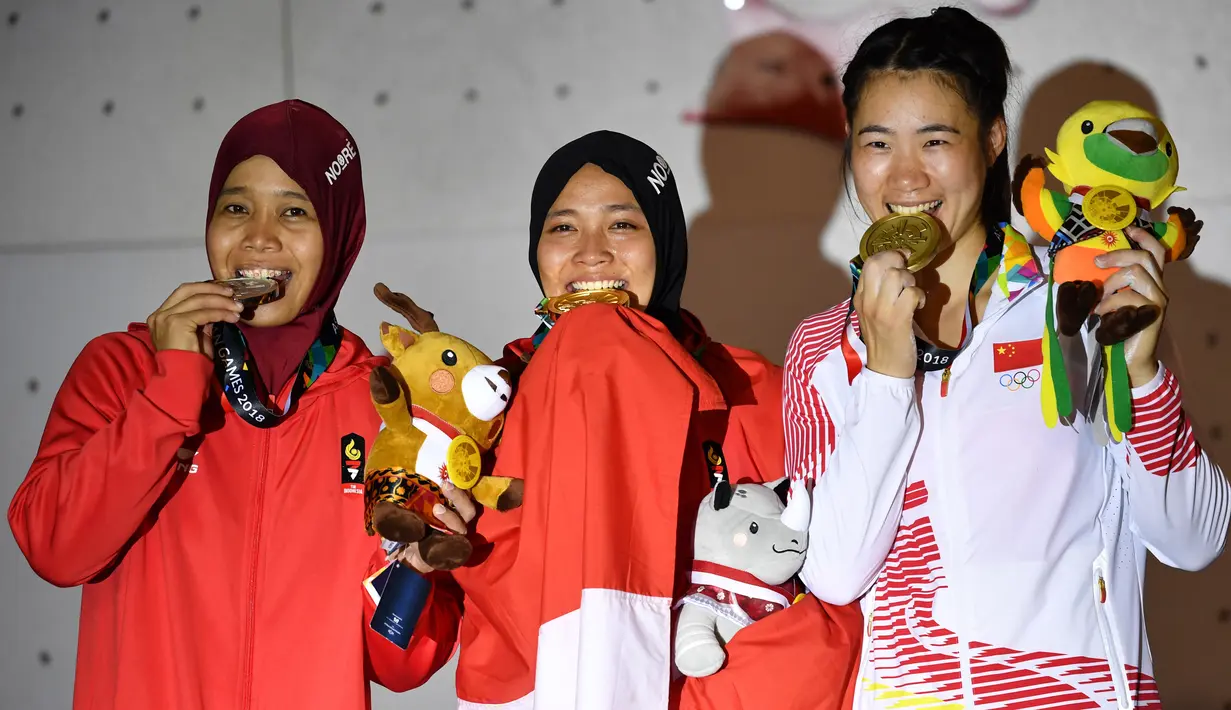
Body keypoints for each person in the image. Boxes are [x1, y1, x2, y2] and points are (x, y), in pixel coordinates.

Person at [783, 7, 1230, 708]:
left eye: (935, 140)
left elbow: (1194, 539)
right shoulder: (820, 347)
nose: (904, 175)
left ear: (991, 139)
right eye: (877, 143)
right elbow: (834, 574)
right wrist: (886, 373)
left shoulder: (1079, 300)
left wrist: (1141, 374)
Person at [373, 130, 863, 709]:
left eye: (623, 224)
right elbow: (394, 659)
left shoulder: (755, 391)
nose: (591, 252)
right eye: (562, 227)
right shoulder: (478, 415)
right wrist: (415, 567)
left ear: (666, 241)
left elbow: (839, 599)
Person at [7, 99, 463, 710]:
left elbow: (399, 666)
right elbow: (56, 549)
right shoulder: (122, 369)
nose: (259, 237)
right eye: (237, 207)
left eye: (295, 211)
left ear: (340, 231)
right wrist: (169, 394)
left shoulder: (385, 406)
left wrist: (415, 570)